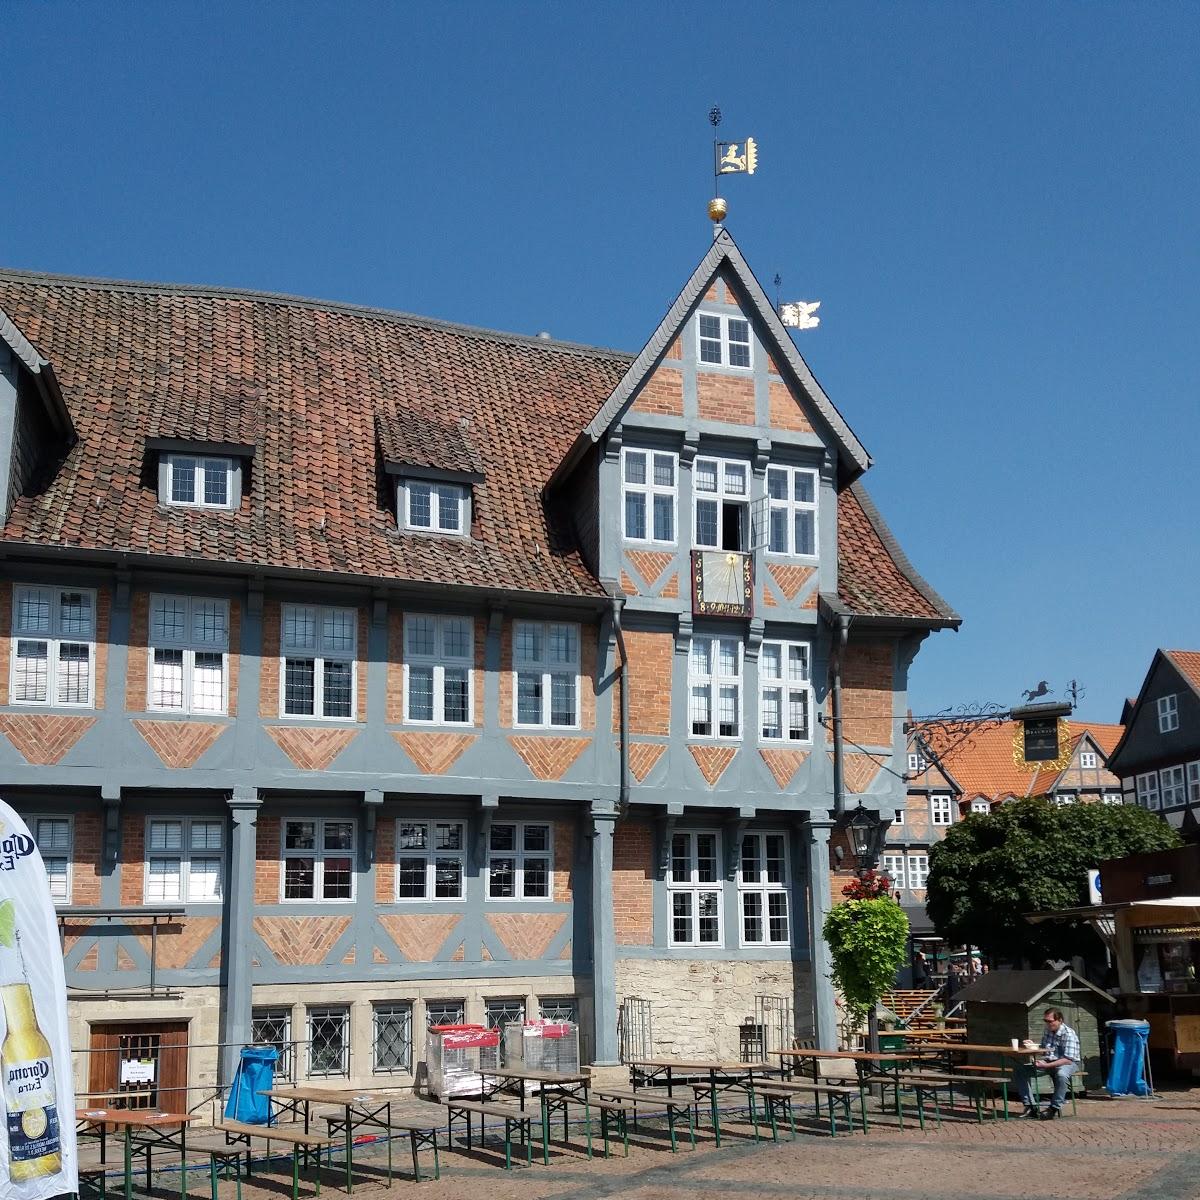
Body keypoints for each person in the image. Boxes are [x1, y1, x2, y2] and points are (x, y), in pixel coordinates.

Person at [1013, 1008, 1081, 1120]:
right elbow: (1045, 1051)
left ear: (1060, 1020)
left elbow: (1068, 1059)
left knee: (1061, 1075)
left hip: (1067, 1063)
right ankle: (1031, 1106)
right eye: (1046, 1021)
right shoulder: (1048, 1031)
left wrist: (1046, 1065)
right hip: (1050, 1061)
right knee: (1020, 1070)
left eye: (1050, 1021)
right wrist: (1033, 1046)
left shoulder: (1069, 1034)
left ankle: (1053, 1108)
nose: (1048, 1024)